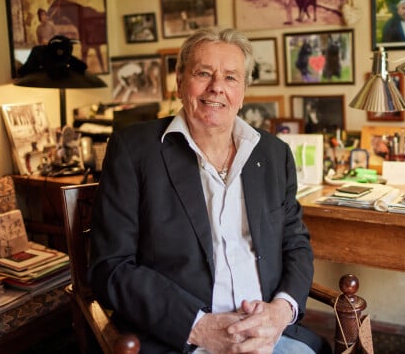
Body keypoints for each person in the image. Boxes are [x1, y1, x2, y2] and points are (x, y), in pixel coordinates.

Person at [88, 28, 330, 354]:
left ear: (243, 92)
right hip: (180, 337)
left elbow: (296, 244)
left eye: (231, 77)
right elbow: (110, 267)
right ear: (179, 81)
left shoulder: (274, 154)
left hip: (268, 334)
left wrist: (281, 310)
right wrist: (198, 327)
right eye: (203, 73)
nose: (217, 86)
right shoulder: (134, 151)